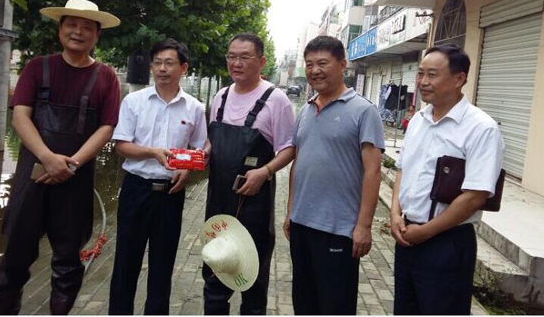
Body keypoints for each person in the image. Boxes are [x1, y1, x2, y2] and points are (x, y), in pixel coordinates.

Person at [0, 0, 122, 315]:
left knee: (67, 265)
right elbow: (20, 117)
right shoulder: (37, 67)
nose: (78, 31)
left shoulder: (106, 77)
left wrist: (73, 163)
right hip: (31, 180)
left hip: (75, 182)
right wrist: (47, 157)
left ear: (97, 34)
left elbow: (107, 127)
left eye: (87, 27)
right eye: (71, 24)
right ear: (60, 29)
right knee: (14, 261)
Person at [390, 44, 505, 315]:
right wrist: (395, 214)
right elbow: (403, 170)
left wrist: (426, 232)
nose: (422, 81)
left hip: (447, 244)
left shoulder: (481, 128)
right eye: (420, 74)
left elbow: (475, 196)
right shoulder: (417, 120)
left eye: (432, 74)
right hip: (407, 236)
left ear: (458, 79)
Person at [285, 35, 384, 315]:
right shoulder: (306, 109)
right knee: (304, 303)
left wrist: (364, 226)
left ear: (342, 65)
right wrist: (291, 211)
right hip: (302, 225)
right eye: (309, 64)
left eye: (322, 63)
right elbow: (298, 162)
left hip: (338, 230)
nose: (314, 70)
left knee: (335, 306)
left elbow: (373, 171)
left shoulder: (363, 111)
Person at [109, 38, 207, 315]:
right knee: (125, 262)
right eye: (157, 63)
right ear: (151, 66)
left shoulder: (194, 108)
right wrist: (152, 152)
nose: (162, 69)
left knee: (163, 266)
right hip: (135, 190)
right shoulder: (134, 101)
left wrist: (188, 167)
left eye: (169, 63)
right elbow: (121, 146)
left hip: (170, 194)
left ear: (183, 68)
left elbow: (201, 147)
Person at [201, 33, 296, 315]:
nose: (237, 63)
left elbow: (289, 148)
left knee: (252, 281)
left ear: (262, 62)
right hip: (217, 203)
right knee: (215, 276)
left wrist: (265, 171)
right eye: (232, 57)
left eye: (245, 57)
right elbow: (212, 141)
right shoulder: (221, 96)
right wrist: (203, 153)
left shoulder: (276, 100)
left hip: (254, 206)